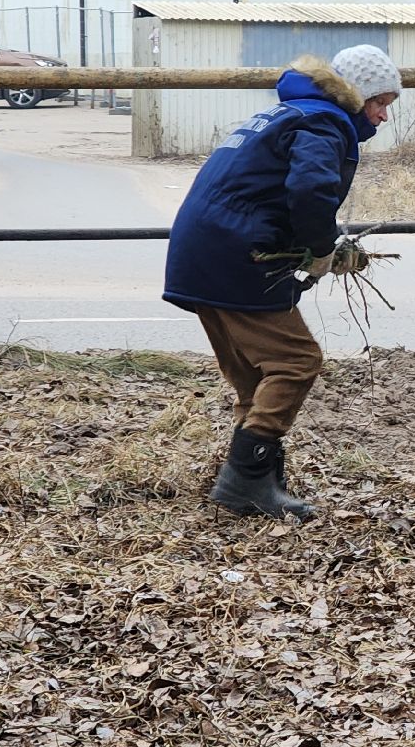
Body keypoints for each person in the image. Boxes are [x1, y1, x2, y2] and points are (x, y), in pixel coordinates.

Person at [163, 45, 401, 520]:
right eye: (381, 103)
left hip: (202, 249)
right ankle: (244, 480)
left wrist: (313, 246)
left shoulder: (288, 113)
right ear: (356, 96)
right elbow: (310, 190)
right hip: (236, 253)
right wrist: (322, 249)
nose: (383, 116)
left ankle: (254, 481)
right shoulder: (324, 122)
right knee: (297, 361)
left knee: (254, 375)